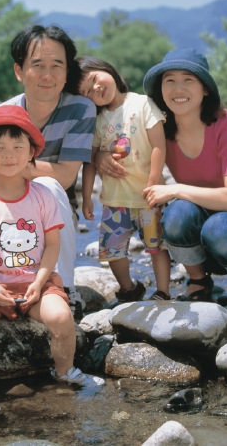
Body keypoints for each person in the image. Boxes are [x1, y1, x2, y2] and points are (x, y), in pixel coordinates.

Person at [97, 49, 227, 311]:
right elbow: (126, 151)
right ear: (161, 90)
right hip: (204, 248)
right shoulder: (161, 130)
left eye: (188, 80)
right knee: (176, 213)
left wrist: (174, 189)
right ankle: (198, 280)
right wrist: (100, 157)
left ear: (206, 89)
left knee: (216, 224)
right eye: (170, 81)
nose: (178, 88)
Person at [0, 105, 104, 417]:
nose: (8, 155)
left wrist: (40, 282)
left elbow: (52, 245)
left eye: (17, 147)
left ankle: (64, 371)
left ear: (31, 154)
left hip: (35, 281)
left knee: (62, 319)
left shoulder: (42, 195)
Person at [0, 24, 96, 320]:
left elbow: (65, 176)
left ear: (67, 71)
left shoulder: (81, 109)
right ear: (19, 70)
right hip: (1, 216)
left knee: (48, 184)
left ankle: (66, 290)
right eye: (37, 65)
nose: (47, 75)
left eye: (56, 66)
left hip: (53, 214)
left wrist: (6, 164)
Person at [67, 57, 172, 301]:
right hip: (115, 200)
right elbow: (91, 159)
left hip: (148, 196)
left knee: (157, 248)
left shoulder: (143, 103)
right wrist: (86, 197)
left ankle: (164, 292)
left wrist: (154, 183)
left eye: (94, 79)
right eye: (86, 92)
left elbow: (159, 145)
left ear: (106, 69)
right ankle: (129, 289)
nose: (95, 89)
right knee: (111, 251)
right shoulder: (97, 121)